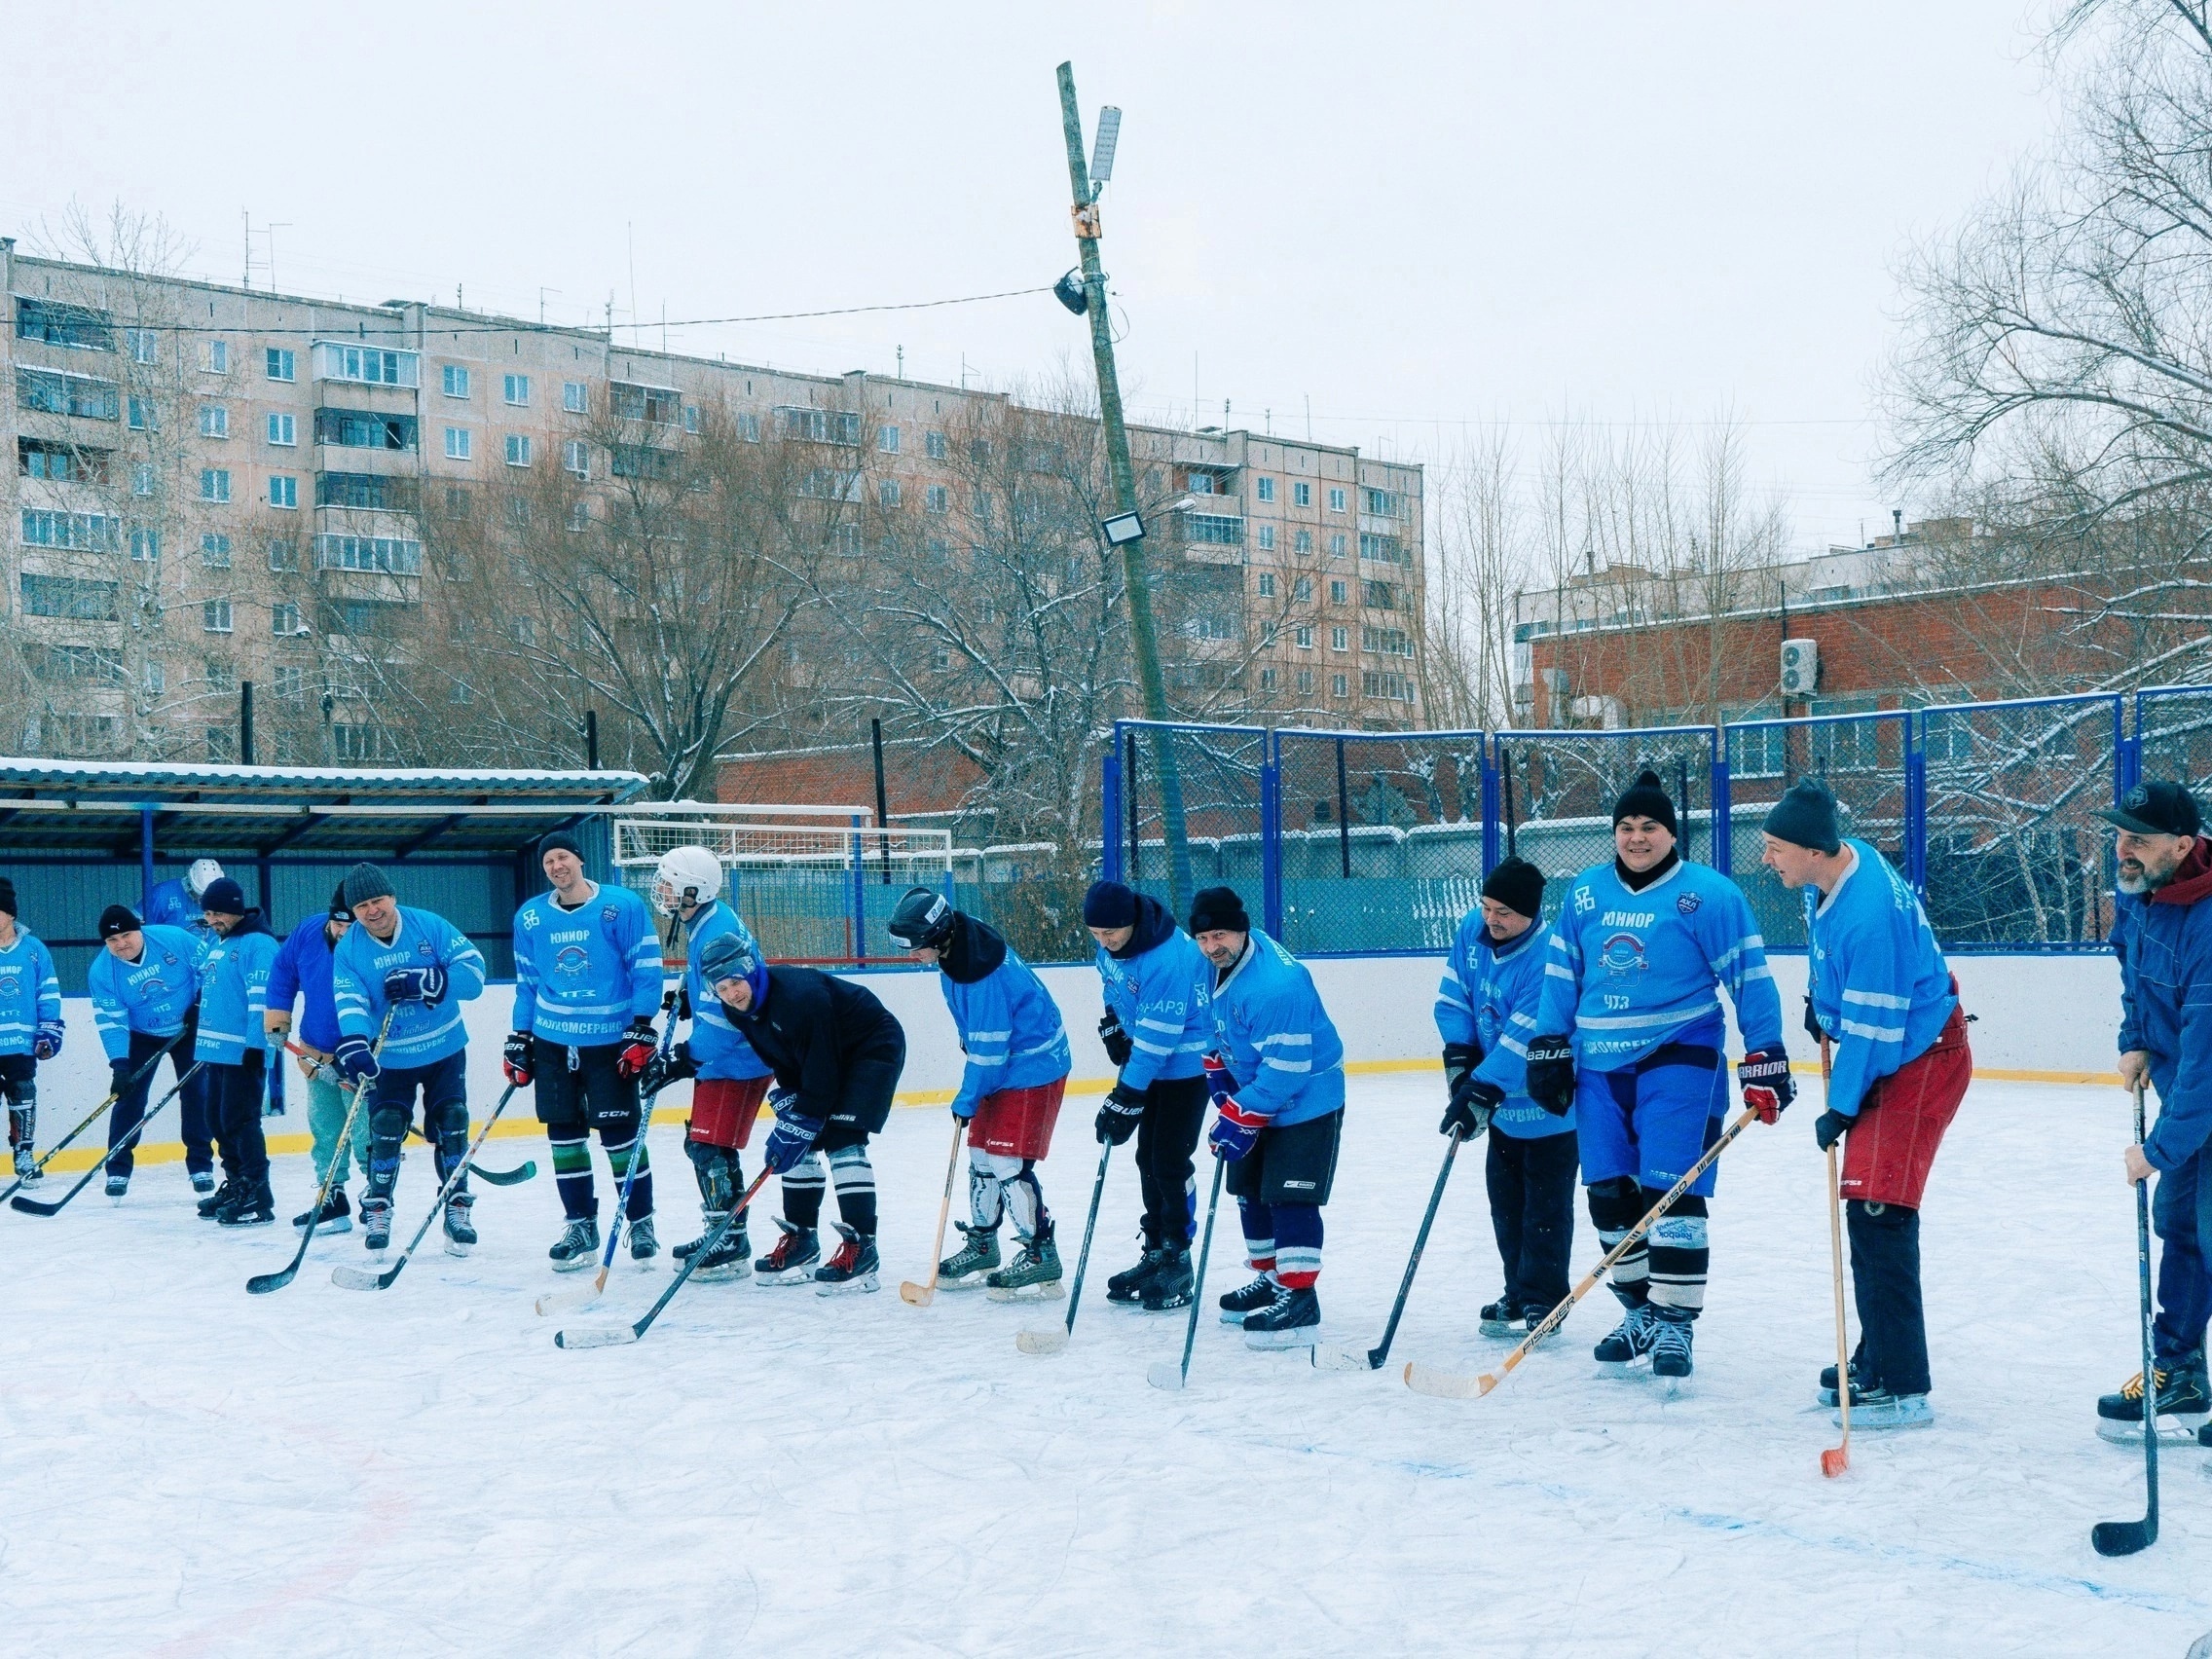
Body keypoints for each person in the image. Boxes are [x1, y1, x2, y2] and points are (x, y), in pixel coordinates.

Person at [1528, 768, 1789, 1382]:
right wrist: (1547, 1042)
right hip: (1596, 1065)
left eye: (1649, 827)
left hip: (1680, 1055)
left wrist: (1766, 1049)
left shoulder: (1710, 895)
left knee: (1671, 1193)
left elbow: (1749, 974)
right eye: (1625, 827)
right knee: (1609, 1196)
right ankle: (1640, 1310)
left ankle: (1674, 1324)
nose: (1636, 837)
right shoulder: (1585, 894)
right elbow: (1562, 974)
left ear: (1671, 834)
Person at [1761, 777, 1971, 1431]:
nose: (1767, 858)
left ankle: (1903, 1383)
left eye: (1775, 848)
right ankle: (1878, 1355)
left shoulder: (1871, 911)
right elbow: (1838, 971)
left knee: (1879, 1211)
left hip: (1918, 1057)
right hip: (1894, 1047)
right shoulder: (1835, 872)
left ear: (1815, 851)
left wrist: (1842, 1106)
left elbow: (1877, 1026)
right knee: (1866, 1210)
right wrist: (1820, 1009)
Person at [887, 887, 1073, 1297]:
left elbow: (991, 1049)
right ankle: (984, 1243)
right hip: (1003, 1066)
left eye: (914, 946)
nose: (910, 954)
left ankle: (1041, 1253)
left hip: (1033, 1067)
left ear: (937, 937)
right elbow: (978, 1039)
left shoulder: (981, 973)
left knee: (1006, 1159)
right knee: (979, 1154)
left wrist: (968, 1096)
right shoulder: (958, 955)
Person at [1185, 886, 1346, 1347]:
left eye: (1221, 935)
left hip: (1307, 1095)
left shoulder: (1278, 985)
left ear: (1242, 930)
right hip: (1256, 1083)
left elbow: (1289, 1069)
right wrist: (1216, 1066)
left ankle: (1300, 1297)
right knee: (1250, 1191)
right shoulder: (1206, 965)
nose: (1212, 946)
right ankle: (1273, 1279)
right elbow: (1208, 1020)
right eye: (1203, 937)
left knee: (1289, 1195)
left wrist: (1240, 1112)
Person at [701, 930, 906, 1293]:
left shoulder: (799, 997)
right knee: (802, 1141)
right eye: (722, 989)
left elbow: (822, 1074)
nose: (732, 994)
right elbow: (784, 1056)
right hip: (822, 1059)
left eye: (735, 982)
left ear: (751, 971)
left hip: (870, 1047)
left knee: (842, 1138)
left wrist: (804, 1115)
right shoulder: (738, 1012)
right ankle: (803, 1240)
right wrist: (794, 1107)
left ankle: (863, 1247)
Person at [2101, 780, 2212, 1444]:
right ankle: (2180, 1373)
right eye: (2120, 834)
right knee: (2180, 1220)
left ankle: (2177, 1366)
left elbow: (2207, 1060)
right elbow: (2132, 968)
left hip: (2202, 1087)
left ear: (2184, 843)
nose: (2125, 849)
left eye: (2138, 838)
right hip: (2190, 1094)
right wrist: (2135, 1037)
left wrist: (2159, 1151)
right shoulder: (2140, 895)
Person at [505, 831, 668, 1271]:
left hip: (610, 1040)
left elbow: (647, 968)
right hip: (553, 1041)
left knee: (620, 1136)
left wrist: (641, 1027)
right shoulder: (531, 917)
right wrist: (519, 1037)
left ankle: (641, 1220)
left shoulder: (622, 906)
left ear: (579, 859)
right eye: (547, 862)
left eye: (562, 858)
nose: (556, 867)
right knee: (564, 1135)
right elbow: (528, 983)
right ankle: (580, 1224)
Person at [1433, 855, 1577, 1337]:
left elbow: (1522, 1039)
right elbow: (1453, 997)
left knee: (1545, 1209)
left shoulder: (1547, 956)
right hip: (1502, 1114)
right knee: (1506, 1205)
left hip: (1550, 1111)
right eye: (1487, 906)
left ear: (1532, 915)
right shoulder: (1473, 929)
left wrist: (1481, 1087)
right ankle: (1517, 1292)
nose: (1491, 920)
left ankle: (1544, 1300)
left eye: (1505, 913)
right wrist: (1459, 1066)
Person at [329, 863, 489, 1257]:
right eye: (362, 905)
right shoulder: (349, 948)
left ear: (393, 897)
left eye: (378, 900)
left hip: (443, 1048)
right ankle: (378, 1207)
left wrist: (428, 980)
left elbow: (475, 972)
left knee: (452, 1121)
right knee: (384, 1126)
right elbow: (350, 1000)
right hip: (391, 1057)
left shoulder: (428, 925)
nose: (372, 911)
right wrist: (354, 1041)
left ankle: (457, 1206)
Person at [642, 845, 774, 1281]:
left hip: (735, 1057)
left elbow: (723, 1022)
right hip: (730, 1057)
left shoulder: (715, 931)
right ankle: (725, 1232)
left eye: (669, 883)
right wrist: (687, 995)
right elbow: (711, 987)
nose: (661, 890)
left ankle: (729, 1239)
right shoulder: (706, 922)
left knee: (707, 1145)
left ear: (693, 889)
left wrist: (680, 1059)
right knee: (707, 1143)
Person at [1082, 879, 1214, 1312]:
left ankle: (1179, 1255)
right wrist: (1113, 1024)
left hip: (1187, 1065)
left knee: (1170, 1159)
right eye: (1096, 935)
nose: (1105, 943)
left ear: (1132, 922)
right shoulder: (1111, 946)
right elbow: (1112, 986)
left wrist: (1126, 1094)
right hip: (1149, 1059)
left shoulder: (1167, 958)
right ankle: (1156, 1247)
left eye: (1111, 934)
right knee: (1147, 1158)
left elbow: (1160, 1040)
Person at [88, 904, 209, 1200]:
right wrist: (120, 1065)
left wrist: (200, 1004)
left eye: (127, 936)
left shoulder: (173, 939)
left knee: (197, 1093)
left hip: (188, 1027)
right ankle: (117, 1168)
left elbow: (210, 967)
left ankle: (200, 1165)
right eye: (112, 941)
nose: (121, 945)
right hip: (141, 1035)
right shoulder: (102, 972)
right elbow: (112, 1023)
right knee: (129, 1097)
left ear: (139, 929)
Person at [267, 886, 364, 1234]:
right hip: (315, 1052)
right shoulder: (309, 931)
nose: (345, 932)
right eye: (340, 924)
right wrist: (277, 1020)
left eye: (353, 925)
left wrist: (356, 1056)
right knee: (325, 1131)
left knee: (368, 1133)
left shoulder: (371, 942)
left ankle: (377, 1198)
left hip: (362, 1056)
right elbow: (282, 972)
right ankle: (331, 1198)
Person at [190, 878, 281, 1227]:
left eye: (217, 913)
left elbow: (262, 999)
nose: (212, 919)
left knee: (241, 1121)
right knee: (217, 1119)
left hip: (245, 1052)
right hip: (216, 1051)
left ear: (235, 909)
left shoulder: (258, 944)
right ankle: (237, 1182)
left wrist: (257, 1047)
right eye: (208, 913)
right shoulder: (219, 941)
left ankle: (257, 1189)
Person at [0, 878, 65, 1181]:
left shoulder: (33, 948)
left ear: (11, 913)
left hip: (20, 1043)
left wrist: (49, 1030)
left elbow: (48, 992)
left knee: (22, 1094)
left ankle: (23, 1153)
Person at [144, 858, 224, 937]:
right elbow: (138, 925)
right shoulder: (162, 893)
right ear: (190, 885)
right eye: (200, 895)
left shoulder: (227, 897)